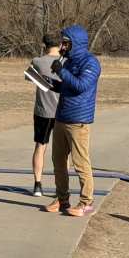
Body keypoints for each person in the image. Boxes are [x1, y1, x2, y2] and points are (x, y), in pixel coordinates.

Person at [43, 25, 101, 217]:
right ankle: (62, 199)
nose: (62, 47)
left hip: (78, 120)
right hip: (61, 117)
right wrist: (48, 83)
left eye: (66, 43)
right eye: (62, 43)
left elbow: (80, 86)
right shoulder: (67, 62)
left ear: (76, 43)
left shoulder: (91, 63)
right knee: (58, 161)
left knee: (80, 162)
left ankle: (86, 202)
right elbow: (66, 87)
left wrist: (62, 72)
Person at [27, 33, 61, 197]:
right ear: (60, 45)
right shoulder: (66, 62)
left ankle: (37, 185)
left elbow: (30, 78)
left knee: (40, 147)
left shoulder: (37, 61)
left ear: (44, 45)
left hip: (43, 111)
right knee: (63, 151)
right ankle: (61, 188)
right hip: (63, 111)